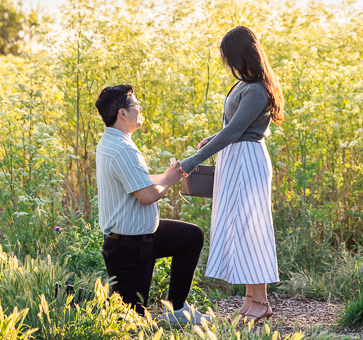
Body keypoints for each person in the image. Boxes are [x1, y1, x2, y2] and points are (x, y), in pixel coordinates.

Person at [180, 26, 283, 323]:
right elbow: (233, 126)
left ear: (241, 53)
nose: (228, 63)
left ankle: (261, 300)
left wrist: (194, 160)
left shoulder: (257, 89)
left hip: (247, 161)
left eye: (229, 56)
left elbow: (238, 131)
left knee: (252, 226)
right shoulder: (243, 85)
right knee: (239, 227)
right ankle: (252, 297)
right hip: (234, 158)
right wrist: (213, 139)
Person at [94, 83, 207, 324]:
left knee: (191, 236)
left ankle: (177, 309)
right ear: (122, 113)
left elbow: (138, 183)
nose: (140, 108)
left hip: (146, 236)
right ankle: (74, 296)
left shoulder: (112, 142)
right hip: (128, 248)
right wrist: (168, 179)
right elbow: (146, 196)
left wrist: (168, 176)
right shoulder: (122, 149)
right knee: (130, 319)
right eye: (136, 105)